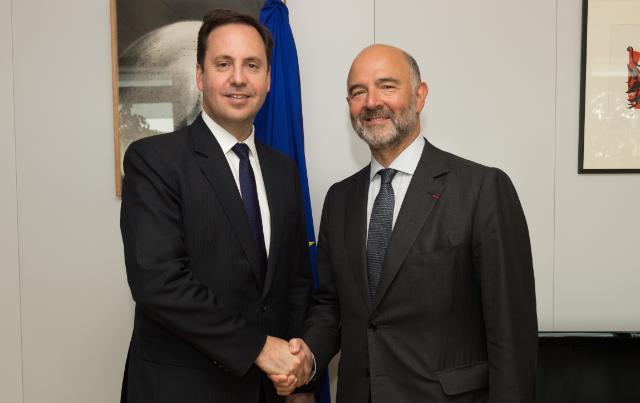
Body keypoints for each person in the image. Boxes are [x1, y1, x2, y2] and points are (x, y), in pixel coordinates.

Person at [279, 44, 538, 401]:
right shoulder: (339, 199)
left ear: (420, 95)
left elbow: (512, 334)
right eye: (358, 92)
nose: (371, 102)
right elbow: (332, 307)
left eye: (387, 86)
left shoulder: (481, 189)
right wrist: (307, 357)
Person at [119, 9, 314, 403]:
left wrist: (298, 371)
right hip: (179, 391)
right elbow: (158, 282)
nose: (239, 78)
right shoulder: (153, 160)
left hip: (267, 392)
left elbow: (294, 282)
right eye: (223, 64)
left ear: (269, 79)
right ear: (199, 76)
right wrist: (261, 348)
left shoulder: (283, 171)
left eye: (252, 65)